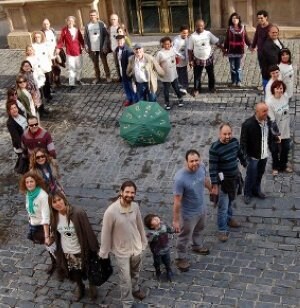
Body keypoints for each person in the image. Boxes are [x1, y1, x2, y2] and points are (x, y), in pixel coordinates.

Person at [99, 180, 147, 307]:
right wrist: (104, 252)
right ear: (121, 192)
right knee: (125, 279)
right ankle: (127, 302)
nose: (130, 195)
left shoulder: (135, 207)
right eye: (127, 192)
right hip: (121, 251)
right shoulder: (111, 211)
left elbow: (139, 225)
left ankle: (135, 289)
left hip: (136, 248)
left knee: (135, 273)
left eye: (132, 193)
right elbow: (106, 232)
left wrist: (143, 242)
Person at [49, 191, 99, 301]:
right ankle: (80, 287)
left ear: (64, 199)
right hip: (68, 251)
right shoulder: (54, 217)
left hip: (82, 249)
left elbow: (88, 232)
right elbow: (56, 234)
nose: (58, 203)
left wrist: (94, 249)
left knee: (89, 269)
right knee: (75, 273)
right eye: (54, 202)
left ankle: (92, 285)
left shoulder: (78, 213)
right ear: (51, 205)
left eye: (59, 200)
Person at [173, 149, 211, 272]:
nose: (195, 163)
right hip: (188, 213)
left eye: (196, 160)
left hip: (201, 207)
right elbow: (177, 201)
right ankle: (180, 257)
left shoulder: (202, 167)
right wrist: (176, 220)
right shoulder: (180, 179)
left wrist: (211, 189)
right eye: (191, 161)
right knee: (184, 236)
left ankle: (197, 246)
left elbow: (205, 180)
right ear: (186, 162)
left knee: (200, 228)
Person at [209, 123, 247, 242]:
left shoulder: (234, 142)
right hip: (223, 183)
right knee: (223, 207)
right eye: (225, 134)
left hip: (234, 179)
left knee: (231, 200)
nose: (227, 136)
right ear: (220, 134)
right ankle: (222, 230)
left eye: (229, 133)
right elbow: (213, 168)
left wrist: (245, 163)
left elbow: (240, 154)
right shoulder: (215, 148)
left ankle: (229, 219)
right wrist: (215, 185)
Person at [240, 102, 280, 204]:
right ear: (257, 112)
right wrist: (245, 159)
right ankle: (247, 193)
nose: (266, 113)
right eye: (264, 111)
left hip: (264, 155)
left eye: (267, 110)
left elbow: (270, 135)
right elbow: (243, 143)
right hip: (253, 156)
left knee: (259, 175)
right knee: (251, 176)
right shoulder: (248, 124)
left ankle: (256, 190)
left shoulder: (268, 121)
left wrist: (275, 138)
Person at [19, 171, 56, 275]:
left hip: (42, 227)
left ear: (36, 182)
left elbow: (46, 217)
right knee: (48, 248)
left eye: (31, 181)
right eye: (27, 182)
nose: (29, 184)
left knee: (52, 247)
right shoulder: (29, 194)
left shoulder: (42, 196)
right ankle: (55, 263)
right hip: (33, 225)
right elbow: (29, 209)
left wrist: (47, 236)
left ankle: (59, 265)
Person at [188, 19, 222, 95]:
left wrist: (223, 49)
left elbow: (216, 42)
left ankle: (211, 87)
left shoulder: (208, 34)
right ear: (195, 26)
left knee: (211, 74)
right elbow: (190, 50)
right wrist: (190, 60)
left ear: (204, 26)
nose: (200, 27)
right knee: (197, 75)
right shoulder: (192, 36)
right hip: (197, 59)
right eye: (198, 26)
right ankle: (197, 89)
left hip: (208, 58)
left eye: (201, 26)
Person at [265, 80, 292, 175]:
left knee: (286, 149)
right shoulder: (269, 102)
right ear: (273, 89)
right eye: (277, 88)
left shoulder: (285, 97)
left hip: (286, 129)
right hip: (276, 131)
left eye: (281, 88)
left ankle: (283, 165)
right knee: (275, 150)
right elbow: (272, 121)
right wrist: (277, 134)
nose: (279, 90)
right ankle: (275, 167)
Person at [156, 36, 184, 110]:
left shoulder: (173, 50)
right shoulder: (160, 53)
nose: (168, 45)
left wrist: (178, 58)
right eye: (166, 44)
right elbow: (156, 64)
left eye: (169, 44)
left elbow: (177, 59)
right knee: (166, 90)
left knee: (176, 88)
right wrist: (160, 71)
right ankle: (167, 103)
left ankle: (180, 99)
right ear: (163, 45)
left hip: (173, 74)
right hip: (166, 76)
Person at [223, 12, 251, 87]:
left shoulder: (242, 28)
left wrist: (250, 45)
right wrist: (225, 49)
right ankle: (234, 81)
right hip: (231, 50)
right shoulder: (229, 28)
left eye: (236, 18)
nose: (235, 19)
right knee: (232, 67)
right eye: (233, 18)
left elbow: (246, 38)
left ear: (239, 20)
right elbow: (227, 40)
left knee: (238, 67)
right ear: (231, 20)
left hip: (239, 50)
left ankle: (239, 81)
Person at [56, 16, 85, 87]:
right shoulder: (64, 30)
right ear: (67, 21)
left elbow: (81, 39)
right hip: (69, 52)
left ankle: (78, 79)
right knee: (71, 68)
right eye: (69, 20)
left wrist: (84, 46)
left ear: (74, 22)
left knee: (79, 66)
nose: (70, 22)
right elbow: (61, 41)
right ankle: (71, 83)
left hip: (78, 51)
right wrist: (58, 48)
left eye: (72, 21)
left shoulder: (76, 30)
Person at [144, 214, 173, 281]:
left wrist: (169, 227)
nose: (156, 219)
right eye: (153, 220)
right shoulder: (151, 233)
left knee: (167, 261)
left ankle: (168, 270)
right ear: (151, 226)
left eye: (155, 217)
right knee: (157, 262)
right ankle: (158, 271)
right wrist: (157, 233)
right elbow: (149, 239)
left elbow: (171, 230)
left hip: (166, 249)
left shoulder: (164, 227)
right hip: (157, 251)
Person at [84, 9, 110, 84]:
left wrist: (105, 45)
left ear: (97, 15)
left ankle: (108, 76)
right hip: (92, 48)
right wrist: (86, 45)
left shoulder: (102, 24)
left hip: (101, 47)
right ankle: (97, 77)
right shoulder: (87, 25)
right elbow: (85, 37)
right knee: (95, 64)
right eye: (91, 15)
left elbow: (106, 35)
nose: (92, 17)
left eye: (94, 15)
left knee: (104, 62)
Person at [6, 100, 28, 174]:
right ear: (9, 111)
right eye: (11, 109)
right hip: (21, 146)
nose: (14, 110)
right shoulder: (10, 123)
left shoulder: (21, 114)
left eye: (15, 107)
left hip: (29, 140)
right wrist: (24, 148)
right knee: (25, 163)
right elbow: (16, 137)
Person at [115, 34, 137, 106]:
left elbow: (131, 64)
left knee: (131, 86)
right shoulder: (117, 50)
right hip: (122, 72)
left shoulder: (128, 50)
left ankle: (134, 100)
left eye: (121, 41)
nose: (119, 42)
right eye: (118, 41)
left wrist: (129, 73)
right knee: (126, 87)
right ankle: (129, 98)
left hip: (128, 72)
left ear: (124, 41)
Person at [250, 10, 272, 82]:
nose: (260, 20)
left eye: (261, 18)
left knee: (269, 70)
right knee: (263, 69)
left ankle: (270, 85)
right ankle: (265, 84)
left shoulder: (270, 28)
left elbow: (270, 42)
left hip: (268, 54)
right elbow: (256, 36)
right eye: (258, 18)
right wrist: (253, 46)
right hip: (260, 53)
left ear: (266, 17)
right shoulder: (259, 26)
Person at [31, 31, 53, 102]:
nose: (37, 38)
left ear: (41, 37)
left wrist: (50, 62)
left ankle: (48, 93)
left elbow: (49, 55)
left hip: (46, 65)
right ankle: (44, 96)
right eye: (36, 37)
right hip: (38, 67)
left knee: (48, 81)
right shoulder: (33, 46)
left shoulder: (45, 45)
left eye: (39, 37)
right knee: (42, 82)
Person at [41, 18, 63, 87]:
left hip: (54, 52)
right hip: (47, 54)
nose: (46, 25)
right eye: (44, 24)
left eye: (47, 24)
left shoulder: (52, 31)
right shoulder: (41, 33)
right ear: (42, 25)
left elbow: (56, 40)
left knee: (57, 68)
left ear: (49, 24)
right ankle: (51, 84)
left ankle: (58, 82)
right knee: (50, 69)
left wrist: (58, 48)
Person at [173, 25, 189, 93]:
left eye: (186, 33)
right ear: (180, 32)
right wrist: (180, 56)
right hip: (178, 60)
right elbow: (174, 50)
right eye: (184, 33)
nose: (185, 34)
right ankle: (181, 86)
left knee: (184, 73)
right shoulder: (176, 40)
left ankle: (184, 85)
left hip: (184, 60)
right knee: (179, 73)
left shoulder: (187, 39)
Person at [108, 14, 122, 81]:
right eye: (112, 19)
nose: (113, 21)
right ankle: (119, 77)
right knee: (116, 64)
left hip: (120, 49)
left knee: (122, 63)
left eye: (114, 19)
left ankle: (125, 77)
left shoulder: (121, 27)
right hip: (114, 49)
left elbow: (126, 37)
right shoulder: (110, 28)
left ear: (117, 19)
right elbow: (109, 38)